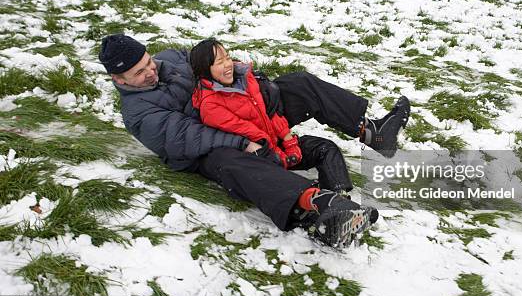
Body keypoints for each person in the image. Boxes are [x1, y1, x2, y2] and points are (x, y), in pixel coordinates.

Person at [98, 34, 411, 248]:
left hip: (234, 111)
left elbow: (212, 65)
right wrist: (243, 141)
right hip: (209, 148)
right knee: (231, 161)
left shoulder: (171, 59)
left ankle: (371, 131)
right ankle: (318, 210)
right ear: (119, 80)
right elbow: (189, 137)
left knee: (296, 84)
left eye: (149, 62)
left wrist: (256, 85)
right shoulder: (138, 114)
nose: (151, 72)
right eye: (140, 73)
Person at [190, 38, 354, 193]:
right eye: (220, 62)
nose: (228, 64)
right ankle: (323, 205)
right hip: (262, 156)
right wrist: (279, 155)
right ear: (206, 70)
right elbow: (249, 133)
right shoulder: (210, 105)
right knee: (295, 188)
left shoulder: (246, 79)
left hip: (277, 144)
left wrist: (289, 141)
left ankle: (338, 195)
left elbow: (270, 112)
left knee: (326, 147)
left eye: (227, 57)